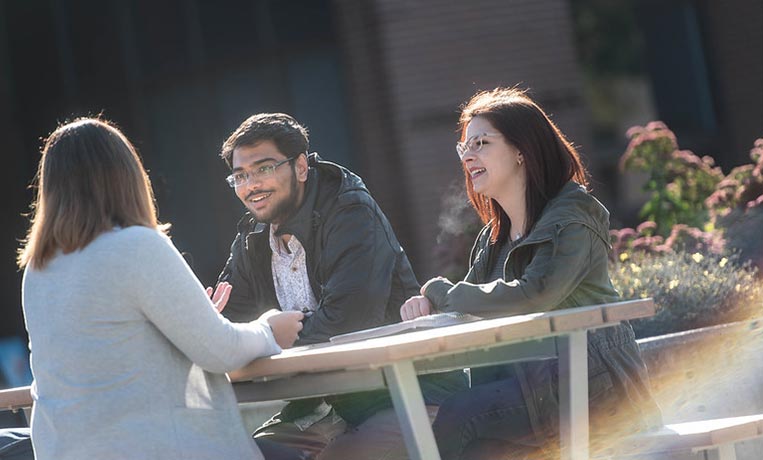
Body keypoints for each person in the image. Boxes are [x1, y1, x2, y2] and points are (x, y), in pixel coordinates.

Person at [17, 118, 304, 460]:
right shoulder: (137, 245)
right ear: (126, 176)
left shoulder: (38, 269)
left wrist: (185, 322)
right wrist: (269, 329)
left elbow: (107, 356)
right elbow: (220, 352)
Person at [401, 88, 662, 459]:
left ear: (521, 150)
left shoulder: (574, 217)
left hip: (590, 384)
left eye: (481, 142)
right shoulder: (493, 238)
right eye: (464, 147)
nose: (469, 155)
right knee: (468, 442)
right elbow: (468, 304)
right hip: (531, 385)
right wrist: (428, 301)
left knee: (460, 416)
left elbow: (536, 293)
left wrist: (441, 291)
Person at [216, 113, 466, 459]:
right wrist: (252, 331)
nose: (251, 185)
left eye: (264, 168)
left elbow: (345, 322)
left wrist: (265, 336)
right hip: (328, 404)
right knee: (243, 454)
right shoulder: (252, 238)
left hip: (408, 393)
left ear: (300, 167)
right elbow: (224, 326)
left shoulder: (350, 213)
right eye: (240, 176)